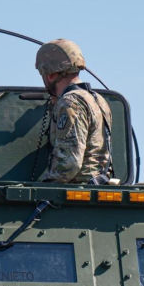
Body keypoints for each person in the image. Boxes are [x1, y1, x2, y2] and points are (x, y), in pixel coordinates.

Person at [34, 39, 113, 184]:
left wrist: (44, 187)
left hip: (76, 191)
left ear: (50, 74)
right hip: (98, 186)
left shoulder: (71, 103)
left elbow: (69, 164)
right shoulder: (98, 100)